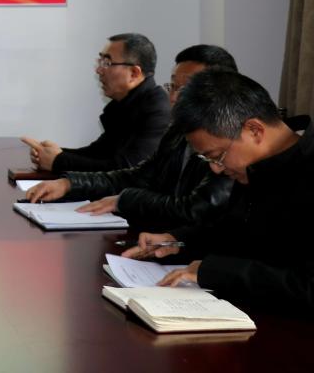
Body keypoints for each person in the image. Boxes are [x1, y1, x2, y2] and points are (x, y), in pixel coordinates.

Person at [122, 70, 314, 314]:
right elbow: (234, 232)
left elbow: (307, 285)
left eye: (217, 156)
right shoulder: (256, 166)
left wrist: (214, 272)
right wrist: (177, 241)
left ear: (254, 130)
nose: (215, 168)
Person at [25, 45, 236, 229]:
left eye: (186, 90)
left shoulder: (230, 144)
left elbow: (195, 209)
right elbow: (138, 175)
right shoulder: (178, 131)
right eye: (173, 87)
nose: (173, 98)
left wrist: (124, 200)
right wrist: (70, 184)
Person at [22, 33, 169, 173]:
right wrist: (53, 153)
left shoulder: (158, 110)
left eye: (107, 63)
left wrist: (58, 161)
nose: (99, 70)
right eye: (100, 61)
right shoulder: (124, 104)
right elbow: (98, 153)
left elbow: (128, 169)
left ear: (134, 73)